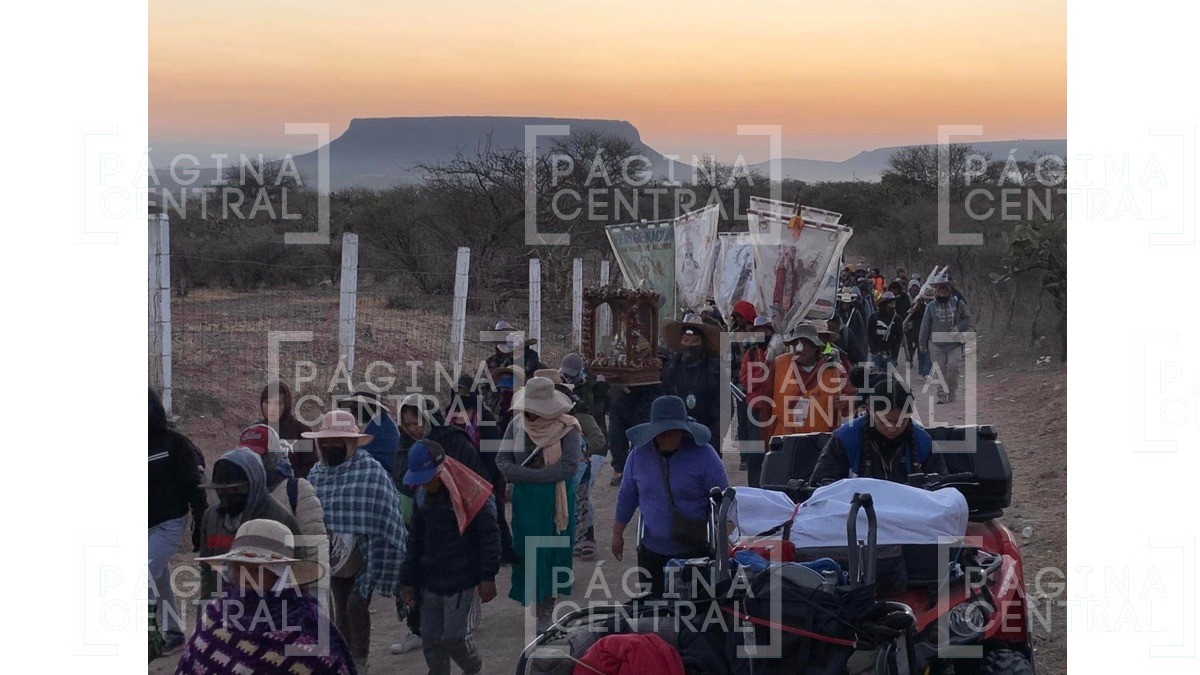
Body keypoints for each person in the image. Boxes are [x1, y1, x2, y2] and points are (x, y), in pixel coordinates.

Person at [177, 519, 356, 674]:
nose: (245, 577)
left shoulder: (310, 625)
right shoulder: (215, 615)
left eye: (257, 570)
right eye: (238, 568)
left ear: (280, 574)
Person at [305, 410, 408, 674]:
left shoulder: (370, 471)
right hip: (334, 557)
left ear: (350, 442)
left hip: (367, 555)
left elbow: (387, 517)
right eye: (326, 442)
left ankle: (360, 658)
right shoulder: (316, 474)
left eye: (336, 441)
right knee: (340, 608)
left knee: (356, 603)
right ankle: (345, 659)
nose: (330, 446)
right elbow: (311, 515)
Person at [400, 440, 501, 675]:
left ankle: (473, 667)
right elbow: (415, 540)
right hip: (430, 579)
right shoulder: (421, 497)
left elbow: (489, 535)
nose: (424, 484)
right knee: (431, 640)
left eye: (427, 478)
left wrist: (488, 576)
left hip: (462, 579)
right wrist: (408, 580)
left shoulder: (472, 492)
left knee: (455, 637)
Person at [613, 395, 729, 598]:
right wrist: (617, 535)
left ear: (684, 430)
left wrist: (728, 542)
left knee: (696, 610)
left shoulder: (705, 455)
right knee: (653, 610)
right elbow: (627, 497)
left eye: (673, 431)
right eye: (661, 432)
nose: (666, 436)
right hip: (652, 552)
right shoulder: (638, 456)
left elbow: (725, 500)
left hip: (695, 552)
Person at [496, 376, 583, 633]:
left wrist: (528, 477)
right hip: (526, 504)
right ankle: (536, 601)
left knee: (552, 554)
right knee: (528, 553)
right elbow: (503, 461)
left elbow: (569, 467)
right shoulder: (516, 425)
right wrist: (534, 476)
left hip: (556, 503)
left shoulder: (567, 428)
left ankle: (547, 608)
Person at [197, 447, 300, 599]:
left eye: (236, 490)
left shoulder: (279, 520)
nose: (228, 497)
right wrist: (206, 607)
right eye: (222, 491)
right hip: (223, 604)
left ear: (254, 484)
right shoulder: (211, 518)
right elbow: (207, 570)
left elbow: (295, 572)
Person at [148, 388, 206, 653]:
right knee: (158, 577)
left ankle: (147, 640)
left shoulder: (174, 444)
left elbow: (194, 483)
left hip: (169, 522)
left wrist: (200, 521)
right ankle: (173, 632)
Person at [809, 377, 947, 485]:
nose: (892, 428)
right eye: (884, 421)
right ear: (869, 410)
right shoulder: (845, 439)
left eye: (901, 421)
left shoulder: (923, 442)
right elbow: (820, 488)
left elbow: (942, 492)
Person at [237, 424, 327, 553]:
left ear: (272, 455)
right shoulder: (237, 491)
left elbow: (314, 545)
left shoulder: (297, 490)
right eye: (247, 456)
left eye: (258, 455)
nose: (252, 461)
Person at [769, 322, 856, 438]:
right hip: (784, 440)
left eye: (804, 344)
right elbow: (766, 405)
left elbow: (850, 405)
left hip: (820, 441)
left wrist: (844, 403)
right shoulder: (779, 364)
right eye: (796, 344)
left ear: (815, 347)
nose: (799, 348)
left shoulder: (834, 370)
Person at [660, 313, 725, 455]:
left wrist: (714, 436)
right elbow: (663, 397)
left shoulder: (715, 369)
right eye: (686, 340)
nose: (689, 344)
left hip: (707, 434)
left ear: (702, 343)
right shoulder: (671, 368)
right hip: (676, 435)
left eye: (695, 340)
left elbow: (724, 406)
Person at [919, 274, 972, 403]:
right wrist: (922, 343)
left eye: (945, 289)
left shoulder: (958, 304)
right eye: (940, 290)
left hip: (954, 344)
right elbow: (925, 325)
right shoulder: (930, 306)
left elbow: (967, 319)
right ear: (936, 292)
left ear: (949, 291)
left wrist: (958, 328)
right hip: (936, 344)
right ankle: (942, 395)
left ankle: (952, 391)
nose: (942, 292)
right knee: (939, 371)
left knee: (953, 368)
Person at [606, 379, 665, 487]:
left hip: (628, 387)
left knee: (625, 429)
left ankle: (625, 468)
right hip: (639, 389)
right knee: (633, 430)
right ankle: (627, 468)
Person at [739, 315, 775, 487]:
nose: (762, 334)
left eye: (765, 331)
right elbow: (747, 382)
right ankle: (753, 487)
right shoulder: (751, 354)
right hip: (755, 409)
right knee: (755, 453)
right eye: (758, 331)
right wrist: (765, 369)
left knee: (774, 450)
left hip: (775, 409)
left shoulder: (779, 351)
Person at [259, 381, 317, 479]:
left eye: (278, 403)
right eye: (267, 403)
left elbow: (309, 468)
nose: (272, 408)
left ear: (286, 405)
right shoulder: (256, 431)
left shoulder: (301, 432)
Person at [338, 389, 402, 474]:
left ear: (371, 407)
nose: (353, 412)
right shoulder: (377, 423)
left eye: (357, 407)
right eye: (352, 407)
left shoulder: (383, 428)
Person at [728, 300, 757, 472]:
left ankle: (754, 456)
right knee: (743, 422)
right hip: (740, 387)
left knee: (755, 422)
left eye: (740, 316)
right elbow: (730, 362)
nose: (738, 320)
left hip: (758, 385)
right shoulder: (733, 336)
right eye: (736, 317)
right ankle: (745, 457)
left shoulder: (758, 334)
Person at [869, 292, 904, 375]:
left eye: (893, 302)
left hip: (890, 354)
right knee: (875, 377)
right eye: (890, 302)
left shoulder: (897, 319)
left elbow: (898, 338)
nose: (893, 305)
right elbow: (870, 335)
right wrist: (874, 350)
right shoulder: (873, 318)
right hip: (876, 354)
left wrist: (894, 356)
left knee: (888, 379)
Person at [834, 291, 870, 366]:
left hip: (854, 342)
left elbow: (861, 330)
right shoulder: (837, 314)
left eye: (847, 303)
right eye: (844, 303)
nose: (845, 305)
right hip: (841, 343)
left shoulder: (856, 313)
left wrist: (861, 345)